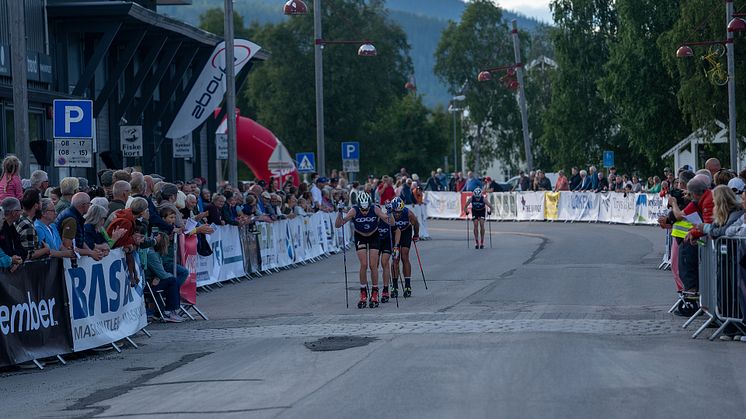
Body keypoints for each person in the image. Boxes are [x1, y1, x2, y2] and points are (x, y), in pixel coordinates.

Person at [335, 192, 393, 308]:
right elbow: (338, 224)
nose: (365, 212)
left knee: (373, 265)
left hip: (374, 236)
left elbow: (391, 222)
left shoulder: (375, 209)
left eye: (367, 210)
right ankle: (363, 293)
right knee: (364, 264)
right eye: (363, 210)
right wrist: (340, 212)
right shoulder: (354, 210)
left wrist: (389, 212)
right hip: (360, 236)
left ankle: (375, 292)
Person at [56, 192, 103, 261]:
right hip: (64, 263)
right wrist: (90, 252)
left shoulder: (75, 216)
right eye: (89, 204)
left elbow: (79, 239)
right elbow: (68, 247)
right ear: (83, 205)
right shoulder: (71, 220)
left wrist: (91, 252)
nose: (90, 206)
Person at [390, 196, 420, 298]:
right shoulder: (389, 213)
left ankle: (407, 285)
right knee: (395, 259)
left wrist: (416, 235)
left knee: (404, 256)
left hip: (406, 232)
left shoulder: (408, 213)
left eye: (400, 212)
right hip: (394, 234)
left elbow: (416, 224)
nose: (397, 214)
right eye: (396, 212)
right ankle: (394, 286)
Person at [16, 189, 51, 260]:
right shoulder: (27, 225)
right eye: (40, 201)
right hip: (26, 269)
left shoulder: (19, 218)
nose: (42, 203)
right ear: (36, 205)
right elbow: (28, 254)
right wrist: (46, 249)